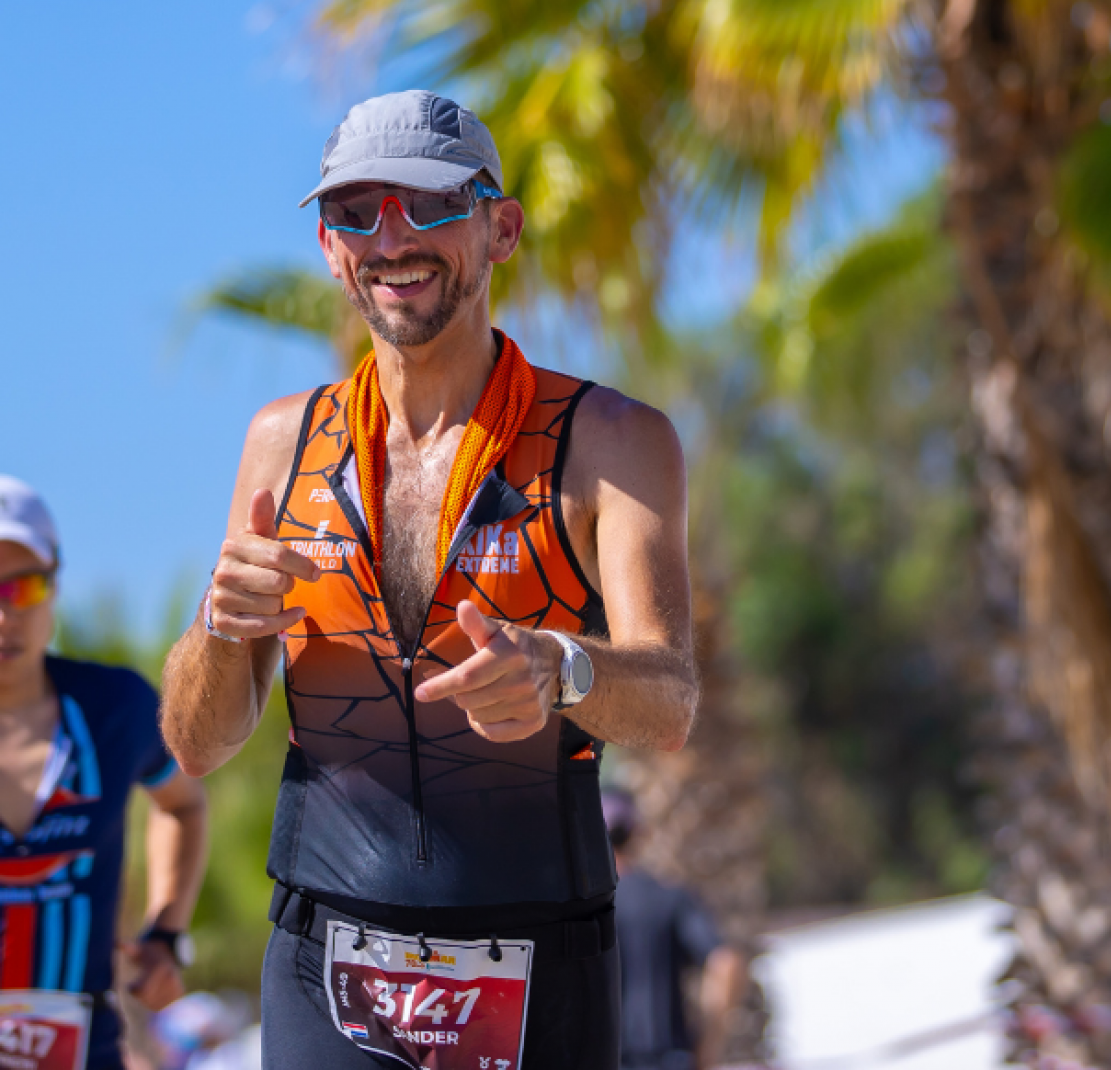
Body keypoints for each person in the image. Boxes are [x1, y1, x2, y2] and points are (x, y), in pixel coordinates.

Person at [160, 89, 698, 1070]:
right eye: (356, 212)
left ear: (502, 229)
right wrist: (217, 624)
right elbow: (198, 744)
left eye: (432, 204)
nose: (391, 237)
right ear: (330, 249)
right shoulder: (282, 442)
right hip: (323, 948)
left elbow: (669, 703)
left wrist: (562, 669)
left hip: (538, 949)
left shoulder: (611, 443)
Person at [0, 476, 208, 1070]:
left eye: (23, 586)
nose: (4, 614)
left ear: (55, 586)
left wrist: (165, 934)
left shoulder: (114, 710)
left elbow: (182, 804)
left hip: (87, 1051)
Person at [604, 790, 747, 1070]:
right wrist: (708, 1050)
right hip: (671, 1059)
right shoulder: (669, 898)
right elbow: (726, 963)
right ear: (637, 833)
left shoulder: (583, 911)